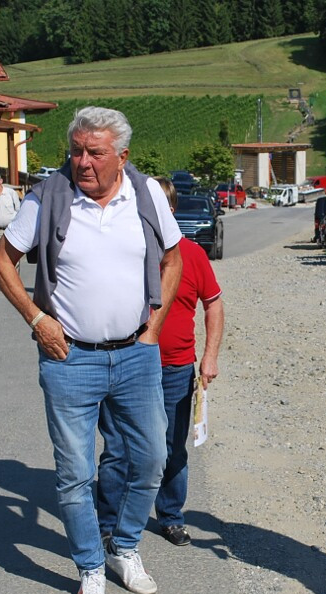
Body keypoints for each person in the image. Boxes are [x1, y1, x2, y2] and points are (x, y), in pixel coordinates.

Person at [0, 106, 183, 594]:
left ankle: (124, 548)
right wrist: (37, 319)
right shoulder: (48, 197)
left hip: (136, 355)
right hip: (70, 358)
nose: (83, 162)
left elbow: (174, 258)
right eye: (76, 151)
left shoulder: (146, 195)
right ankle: (90, 568)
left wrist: (154, 328)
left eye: (94, 153)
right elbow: (1, 260)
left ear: (122, 156)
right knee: (74, 474)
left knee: (152, 459)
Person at [96, 178, 225, 548]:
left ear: (171, 210)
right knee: (118, 447)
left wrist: (210, 357)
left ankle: (170, 516)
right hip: (124, 365)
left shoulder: (192, 255)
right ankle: (109, 522)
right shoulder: (125, 250)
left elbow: (213, 304)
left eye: (157, 208)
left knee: (170, 448)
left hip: (175, 368)